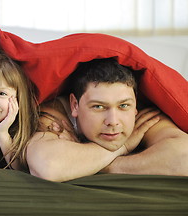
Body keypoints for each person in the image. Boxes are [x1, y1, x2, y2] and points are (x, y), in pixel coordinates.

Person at [27, 58, 188, 182]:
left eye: (123, 105)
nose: (113, 121)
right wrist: (122, 147)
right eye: (99, 107)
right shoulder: (54, 116)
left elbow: (184, 159)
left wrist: (102, 165)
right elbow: (48, 166)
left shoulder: (142, 117)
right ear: (75, 105)